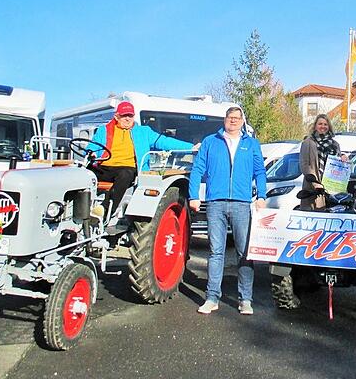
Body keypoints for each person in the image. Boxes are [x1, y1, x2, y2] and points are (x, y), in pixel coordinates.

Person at [188, 107, 266, 315]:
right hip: (215, 202)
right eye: (230, 117)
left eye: (237, 118)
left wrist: (262, 196)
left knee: (244, 253)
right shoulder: (210, 142)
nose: (233, 121)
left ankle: (245, 299)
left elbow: (260, 171)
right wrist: (194, 195)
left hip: (241, 203)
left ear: (242, 121)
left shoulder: (251, 144)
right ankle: (212, 298)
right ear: (225, 120)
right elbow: (197, 169)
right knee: (215, 252)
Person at [88, 101, 194, 220]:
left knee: (125, 174)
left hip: (129, 168)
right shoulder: (104, 130)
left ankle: (105, 210)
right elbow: (93, 147)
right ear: (116, 116)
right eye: (124, 115)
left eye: (130, 115)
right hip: (105, 166)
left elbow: (164, 141)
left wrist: (191, 147)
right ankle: (79, 208)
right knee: (83, 173)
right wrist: (90, 152)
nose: (127, 119)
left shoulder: (143, 132)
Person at [299, 114, 348, 210]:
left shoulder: (335, 144)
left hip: (331, 187)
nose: (323, 126)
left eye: (325, 124)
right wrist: (315, 182)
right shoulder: (308, 142)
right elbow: (304, 164)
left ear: (329, 126)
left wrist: (342, 158)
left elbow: (337, 162)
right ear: (315, 126)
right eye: (320, 124)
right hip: (314, 186)